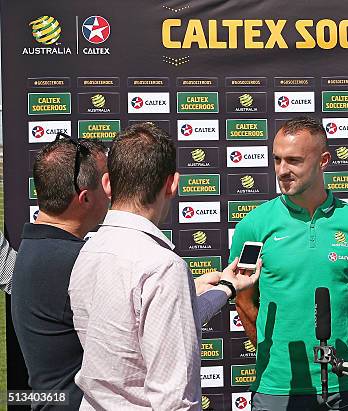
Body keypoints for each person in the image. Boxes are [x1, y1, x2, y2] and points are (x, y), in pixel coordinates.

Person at [68, 122, 260, 410]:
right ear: (172, 184)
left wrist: (226, 288)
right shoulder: (163, 266)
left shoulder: (88, 250)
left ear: (107, 184)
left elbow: (144, 331)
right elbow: (176, 399)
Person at [233, 116, 348, 411]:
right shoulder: (252, 226)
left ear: (323, 160)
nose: (282, 170)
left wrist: (342, 352)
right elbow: (243, 301)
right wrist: (274, 353)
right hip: (278, 386)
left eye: (294, 160)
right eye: (277, 159)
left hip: (345, 383)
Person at [11, 135, 110, 410]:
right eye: (106, 182)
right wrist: (221, 290)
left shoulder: (35, 247)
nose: (112, 191)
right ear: (85, 197)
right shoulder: (75, 261)